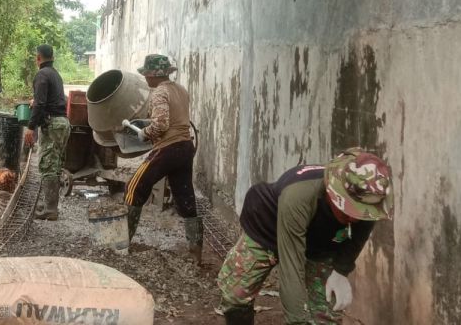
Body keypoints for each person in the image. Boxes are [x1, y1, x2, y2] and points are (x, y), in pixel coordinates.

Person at [216, 148, 394, 325]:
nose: (353, 218)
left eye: (359, 214)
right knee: (236, 294)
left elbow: (358, 237)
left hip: (317, 242)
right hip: (268, 228)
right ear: (334, 193)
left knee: (325, 315)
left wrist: (341, 270)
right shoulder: (299, 196)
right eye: (348, 210)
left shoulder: (369, 200)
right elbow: (291, 268)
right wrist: (298, 321)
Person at [122, 54, 202, 263]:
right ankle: (195, 251)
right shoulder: (180, 90)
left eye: (146, 74)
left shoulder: (160, 92)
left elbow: (162, 124)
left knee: (134, 186)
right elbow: (176, 118)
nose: (145, 78)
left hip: (168, 147)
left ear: (153, 75)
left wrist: (144, 132)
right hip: (185, 147)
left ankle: (124, 241)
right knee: (185, 195)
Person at [24, 44, 69, 220]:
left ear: (38, 58)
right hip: (63, 123)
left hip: (53, 124)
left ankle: (50, 209)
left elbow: (41, 104)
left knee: (48, 164)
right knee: (55, 164)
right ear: (53, 57)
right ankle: (49, 203)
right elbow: (48, 99)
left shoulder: (42, 75)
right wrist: (36, 101)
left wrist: (30, 127)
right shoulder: (55, 74)